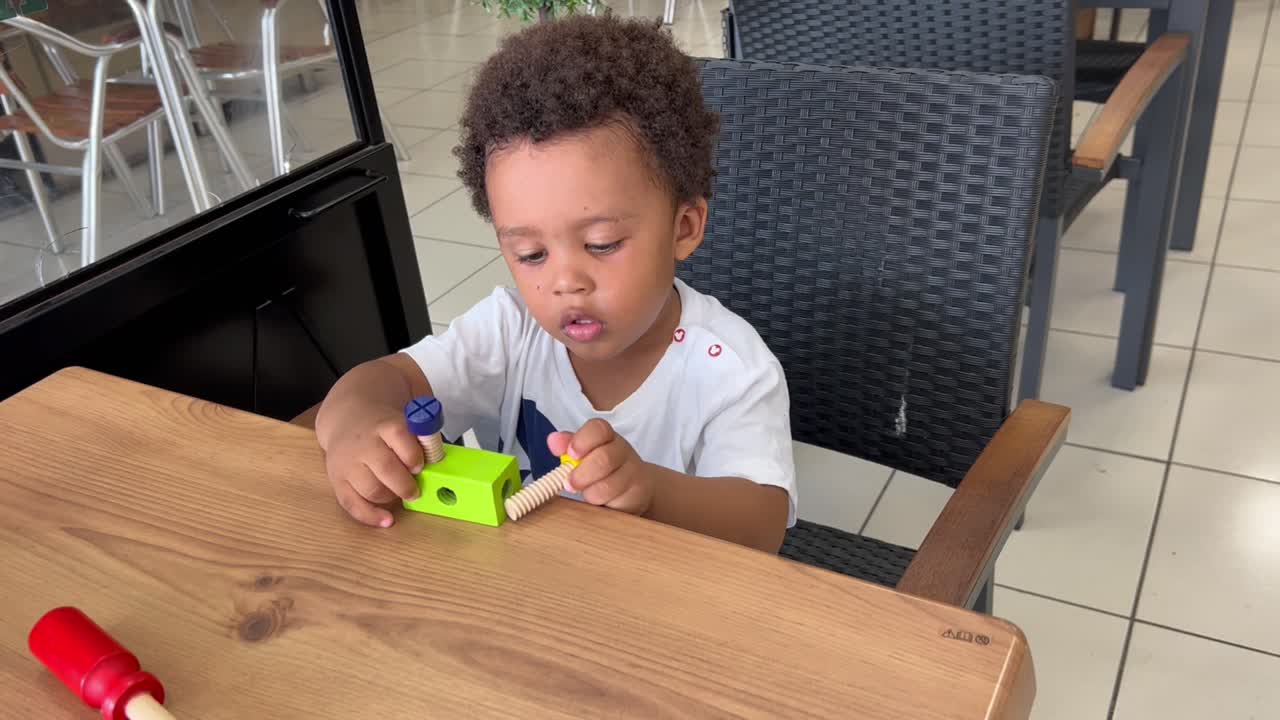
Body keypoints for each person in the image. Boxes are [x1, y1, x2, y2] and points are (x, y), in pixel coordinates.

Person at [315, 15, 795, 553]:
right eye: (531, 254)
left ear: (684, 228)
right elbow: (376, 383)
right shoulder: (510, 329)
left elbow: (763, 525)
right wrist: (353, 425)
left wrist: (652, 493)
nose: (566, 281)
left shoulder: (731, 371)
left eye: (603, 244)